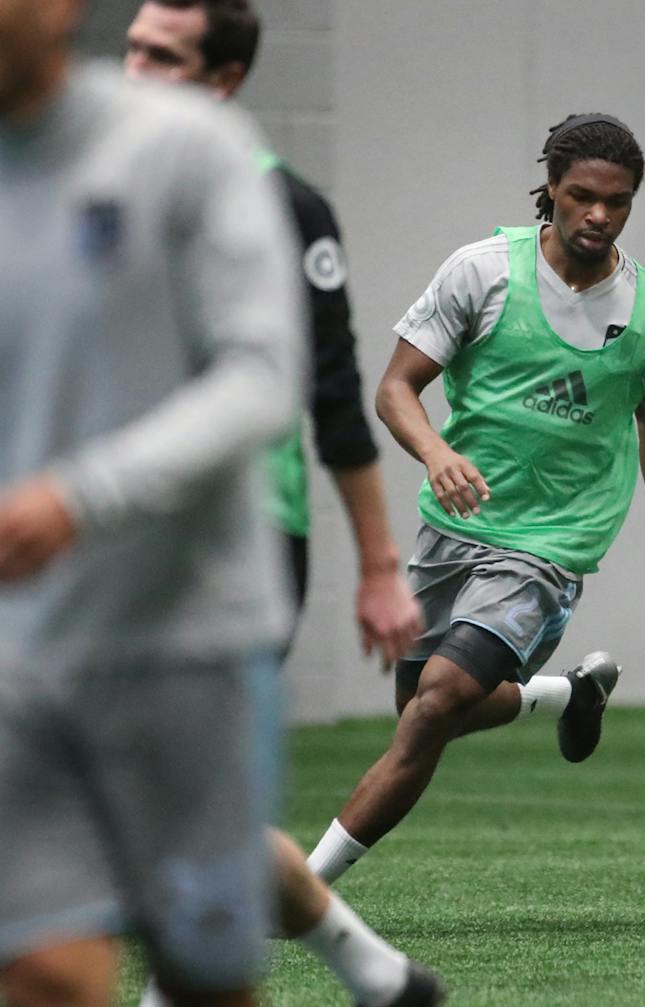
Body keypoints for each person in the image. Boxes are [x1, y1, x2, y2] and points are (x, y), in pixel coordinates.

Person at [121, 3, 444, 1005]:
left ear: (221, 80)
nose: (133, 70)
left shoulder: (286, 209)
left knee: (176, 792)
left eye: (161, 57)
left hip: (240, 535)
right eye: (129, 47)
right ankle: (376, 971)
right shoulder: (93, 184)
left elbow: (337, 396)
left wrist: (382, 568)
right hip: (104, 531)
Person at [307, 113, 645, 884]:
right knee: (420, 702)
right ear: (550, 190)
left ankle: (305, 886)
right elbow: (394, 390)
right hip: (455, 528)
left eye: (616, 202)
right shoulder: (481, 272)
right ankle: (564, 696)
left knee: (438, 702)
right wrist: (437, 450)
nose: (597, 215)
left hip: (551, 545)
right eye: (581, 196)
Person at [0, 0, 299, 1002]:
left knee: (206, 978)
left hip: (186, 643)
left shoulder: (185, 148)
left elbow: (262, 375)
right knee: (46, 967)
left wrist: (83, 495)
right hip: (21, 655)